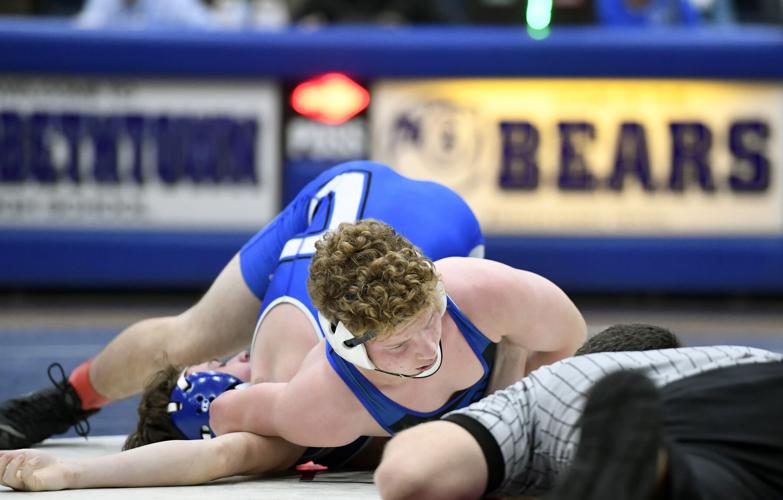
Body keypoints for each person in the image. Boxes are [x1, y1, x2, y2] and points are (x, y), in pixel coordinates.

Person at [0, 216, 587, 491]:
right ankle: (65, 399)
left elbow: (567, 339)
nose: (426, 350)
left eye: (429, 322)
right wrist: (75, 474)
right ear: (350, 348)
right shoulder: (317, 404)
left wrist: (508, 399)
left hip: (424, 219)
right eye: (399, 344)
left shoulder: (479, 292)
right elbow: (225, 444)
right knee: (180, 347)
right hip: (309, 240)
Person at [0, 160, 485, 451]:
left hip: (361, 210)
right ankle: (62, 402)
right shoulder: (301, 401)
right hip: (430, 218)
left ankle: (59, 403)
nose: (210, 365)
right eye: (209, 374)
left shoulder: (294, 399)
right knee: (442, 337)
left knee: (186, 340)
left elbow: (229, 453)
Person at [374, 324, 783, 500]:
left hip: (661, 429)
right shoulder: (736, 355)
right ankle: (663, 472)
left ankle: (663, 471)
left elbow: (413, 473)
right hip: (767, 380)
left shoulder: (564, 378)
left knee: (703, 484)